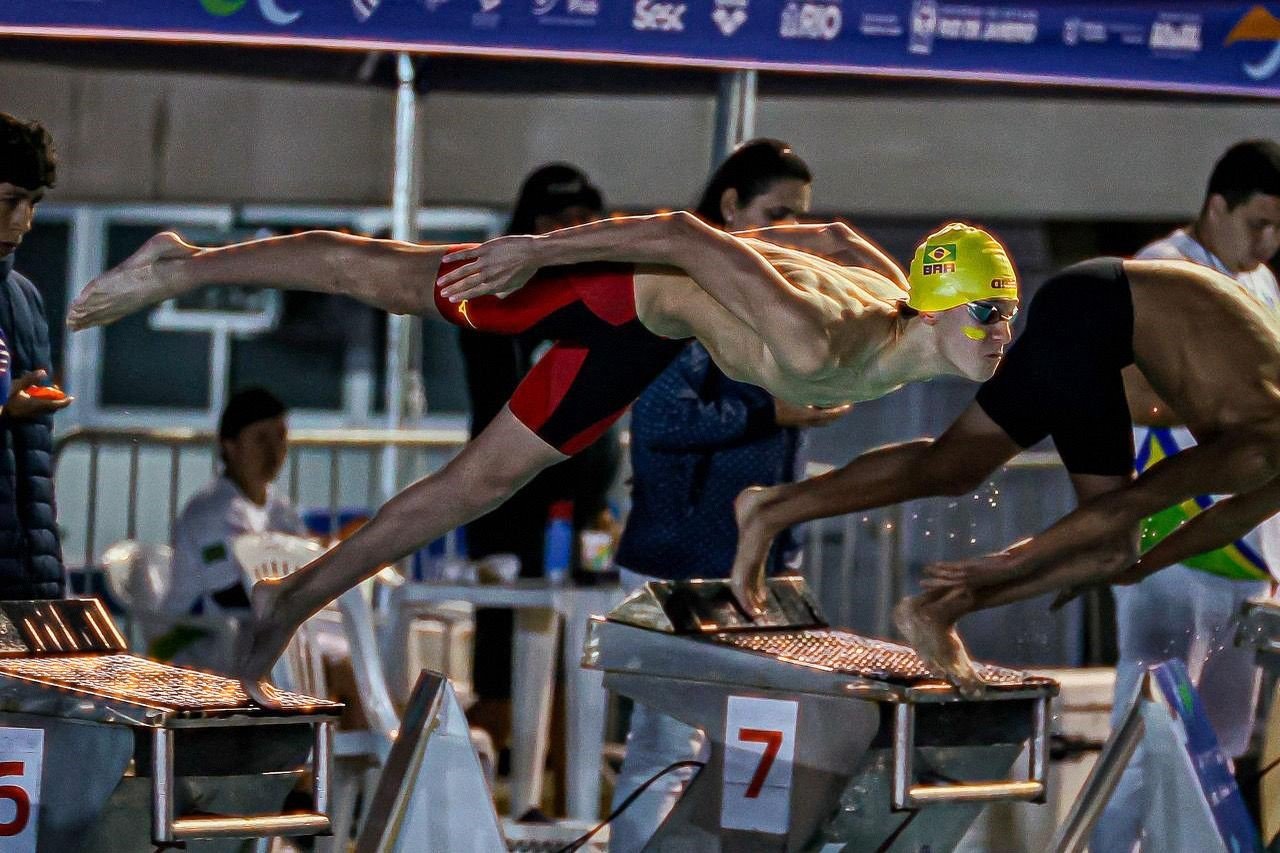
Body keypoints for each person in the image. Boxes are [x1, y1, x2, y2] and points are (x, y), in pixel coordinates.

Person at [67, 213, 1016, 703]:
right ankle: (183, 264)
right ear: (937, 308)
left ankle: (293, 594)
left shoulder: (890, 301)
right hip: (611, 287)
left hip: (645, 330)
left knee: (482, 481)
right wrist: (534, 250)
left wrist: (736, 275)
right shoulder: (818, 337)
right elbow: (686, 235)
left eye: (1008, 313)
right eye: (987, 314)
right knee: (400, 281)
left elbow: (831, 238)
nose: (1001, 334)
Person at [731, 252, 1280, 697]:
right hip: (1098, 316)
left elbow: (1227, 523)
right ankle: (938, 608)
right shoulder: (1261, 446)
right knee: (1108, 545)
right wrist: (1012, 562)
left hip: (1098, 308)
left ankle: (773, 507)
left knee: (955, 468)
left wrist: (1135, 572)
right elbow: (1120, 508)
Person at [610, 139, 850, 852]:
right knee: (663, 744)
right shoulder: (684, 294)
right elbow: (659, 421)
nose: (792, 234)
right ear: (730, 209)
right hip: (677, 560)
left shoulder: (775, 302)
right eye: (776, 216)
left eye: (801, 219)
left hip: (754, 567)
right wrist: (770, 413)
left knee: (755, 744)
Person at [1092, 140, 1280, 852]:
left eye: (1279, 229)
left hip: (1246, 552)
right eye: (1257, 224)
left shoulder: (1262, 282)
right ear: (1215, 207)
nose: (1267, 242)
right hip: (1170, 543)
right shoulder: (1165, 274)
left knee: (1214, 751)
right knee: (1145, 736)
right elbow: (1119, 391)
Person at [458, 163, 618, 776]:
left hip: (582, 505)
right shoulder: (498, 291)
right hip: (508, 502)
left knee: (575, 660)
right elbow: (507, 395)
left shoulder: (608, 288)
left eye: (579, 222)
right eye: (551, 224)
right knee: (502, 661)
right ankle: (491, 802)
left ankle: (563, 790)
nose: (564, 235)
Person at [161, 388, 306, 668]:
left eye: (280, 436)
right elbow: (229, 594)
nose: (274, 450)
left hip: (253, 635)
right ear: (230, 445)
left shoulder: (280, 510)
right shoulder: (210, 511)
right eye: (261, 438)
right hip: (201, 640)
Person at [0, 112, 72, 600]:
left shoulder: (24, 297)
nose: (23, 221)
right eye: (9, 201)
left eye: (33, 204)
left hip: (26, 572)